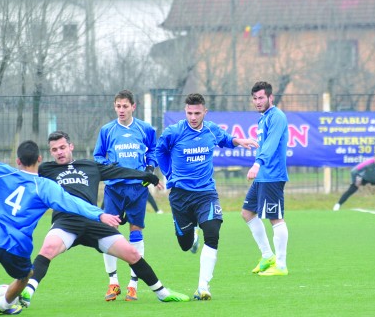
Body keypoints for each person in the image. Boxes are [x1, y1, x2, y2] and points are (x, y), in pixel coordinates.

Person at [0, 141, 122, 315]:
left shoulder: (1, 171)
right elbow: (73, 203)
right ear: (39, 159)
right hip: (17, 247)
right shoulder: (44, 186)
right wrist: (100, 214)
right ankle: (5, 305)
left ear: (18, 160)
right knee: (26, 277)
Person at [21, 131, 189, 307]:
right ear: (50, 152)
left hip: (93, 221)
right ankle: (27, 292)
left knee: (132, 254)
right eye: (54, 149)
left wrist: (146, 175)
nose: (59, 152)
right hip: (66, 222)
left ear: (71, 146)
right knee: (48, 248)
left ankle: (162, 293)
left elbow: (118, 171)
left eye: (62, 147)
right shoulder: (46, 170)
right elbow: (25, 177)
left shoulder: (89, 166)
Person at [155, 93, 258, 300]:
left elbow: (226, 139)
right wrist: (168, 174)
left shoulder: (211, 129)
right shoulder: (174, 132)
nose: (193, 117)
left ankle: (203, 287)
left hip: (206, 193)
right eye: (189, 113)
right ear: (185, 112)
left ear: (205, 112)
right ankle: (192, 235)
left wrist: (240, 141)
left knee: (212, 233)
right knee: (185, 245)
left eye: (197, 113)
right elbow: (160, 151)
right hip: (180, 195)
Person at [93, 89, 160, 302]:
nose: (121, 110)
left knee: (135, 232)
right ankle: (113, 283)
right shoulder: (107, 130)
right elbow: (97, 156)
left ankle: (133, 284)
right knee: (108, 232)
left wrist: (150, 169)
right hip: (114, 188)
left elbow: (153, 151)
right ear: (115, 107)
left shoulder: (145, 128)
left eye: (125, 106)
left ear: (133, 106)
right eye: (118, 106)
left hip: (137, 189)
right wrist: (109, 166)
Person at [242, 81, 291, 277]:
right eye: (254, 98)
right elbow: (265, 143)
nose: (257, 102)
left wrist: (257, 163)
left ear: (271, 98)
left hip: (272, 175)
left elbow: (271, 145)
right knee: (247, 213)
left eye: (261, 97)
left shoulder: (277, 116)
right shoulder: (263, 118)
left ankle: (280, 265)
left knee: (275, 218)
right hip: (263, 176)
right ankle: (267, 256)